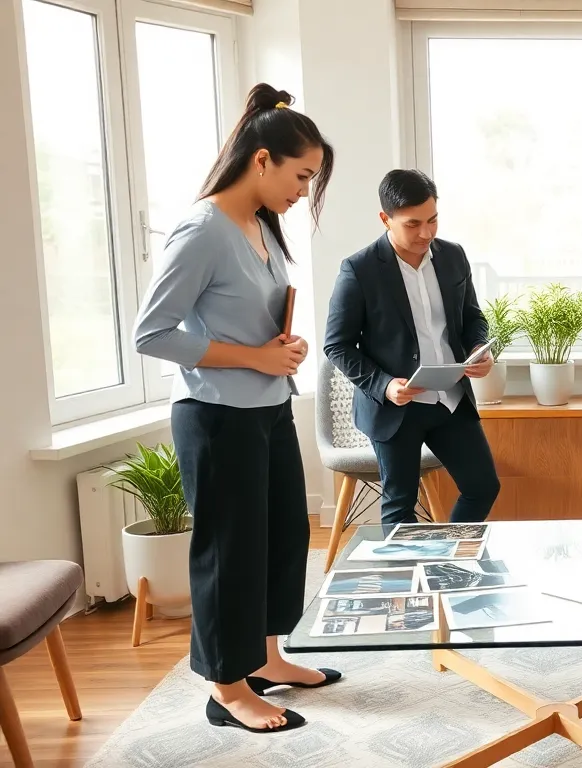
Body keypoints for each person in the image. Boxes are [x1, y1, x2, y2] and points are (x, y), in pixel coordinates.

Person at [133, 84, 339, 734]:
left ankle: (269, 656)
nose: (304, 190)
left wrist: (285, 346)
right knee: (231, 550)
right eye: (301, 175)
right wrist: (253, 359)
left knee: (283, 537)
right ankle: (227, 686)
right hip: (217, 415)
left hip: (269, 407)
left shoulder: (261, 227)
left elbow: (255, 319)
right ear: (262, 161)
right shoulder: (201, 231)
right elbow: (152, 334)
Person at [324, 169, 500, 526]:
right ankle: (406, 581)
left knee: (483, 486)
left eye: (433, 220)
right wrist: (384, 385)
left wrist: (479, 347)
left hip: (450, 401)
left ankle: (445, 565)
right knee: (400, 508)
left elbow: (471, 317)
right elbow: (337, 345)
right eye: (412, 224)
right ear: (385, 219)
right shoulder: (358, 270)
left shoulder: (453, 257)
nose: (426, 233)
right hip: (395, 409)